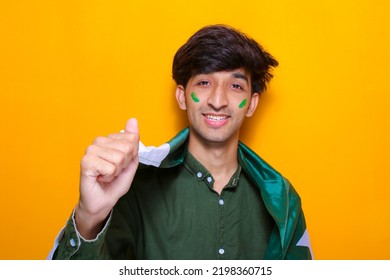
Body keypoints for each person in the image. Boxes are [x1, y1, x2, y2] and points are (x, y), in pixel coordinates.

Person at [49, 24, 313, 260]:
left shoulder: (282, 199)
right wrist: (88, 217)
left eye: (235, 86)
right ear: (182, 97)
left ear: (252, 103)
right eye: (204, 82)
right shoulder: (131, 188)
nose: (218, 100)